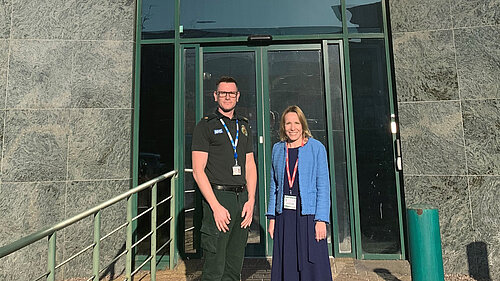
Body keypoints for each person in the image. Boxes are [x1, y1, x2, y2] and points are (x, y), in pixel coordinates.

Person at [192, 76, 257, 281]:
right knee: (214, 268)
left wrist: (251, 199)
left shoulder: (244, 126)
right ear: (215, 96)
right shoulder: (206, 126)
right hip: (219, 198)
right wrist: (215, 206)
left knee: (234, 266)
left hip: (241, 200)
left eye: (231, 93)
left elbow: (249, 165)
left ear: (238, 96)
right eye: (223, 93)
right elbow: (198, 170)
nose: (227, 97)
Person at [266, 105, 332, 281]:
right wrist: (272, 218)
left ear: (303, 124)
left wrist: (321, 220)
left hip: (308, 215)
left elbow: (323, 186)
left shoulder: (316, 148)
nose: (292, 127)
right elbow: (274, 185)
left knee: (313, 264)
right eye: (288, 123)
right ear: (283, 126)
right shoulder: (277, 149)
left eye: (296, 123)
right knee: (287, 262)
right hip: (285, 217)